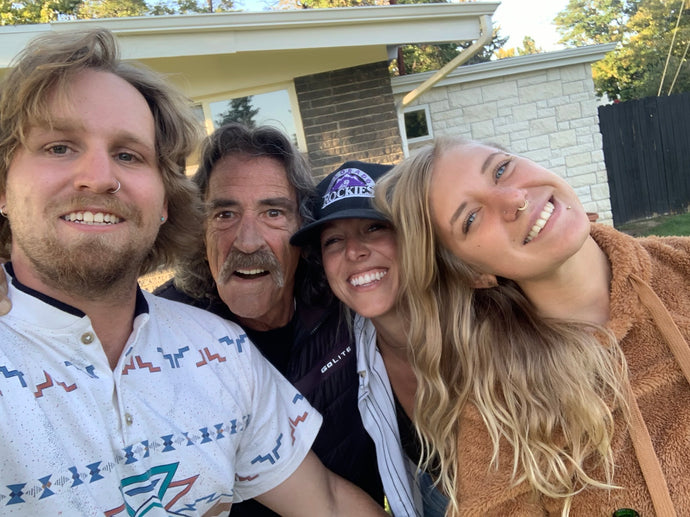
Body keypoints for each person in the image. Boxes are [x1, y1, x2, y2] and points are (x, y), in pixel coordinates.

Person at [0, 28, 389, 516]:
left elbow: (327, 502)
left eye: (128, 154)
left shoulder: (222, 349)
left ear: (164, 201)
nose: (99, 177)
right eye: (59, 147)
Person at [375, 136, 690, 516]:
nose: (514, 200)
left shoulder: (682, 265)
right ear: (473, 273)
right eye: (471, 219)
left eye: (501, 169)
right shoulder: (496, 407)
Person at [154, 123, 384, 515]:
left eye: (273, 212)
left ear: (303, 229)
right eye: (225, 213)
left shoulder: (346, 296)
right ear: (199, 228)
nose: (247, 241)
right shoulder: (163, 335)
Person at [290, 161, 449, 517]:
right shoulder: (348, 345)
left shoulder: (482, 313)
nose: (354, 251)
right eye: (334, 240)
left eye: (375, 227)